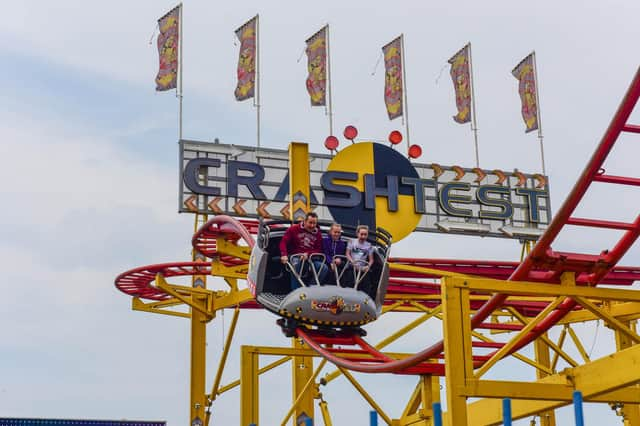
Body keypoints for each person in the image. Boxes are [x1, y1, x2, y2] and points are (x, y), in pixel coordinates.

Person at [279, 212, 327, 289]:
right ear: (304, 221)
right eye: (310, 223)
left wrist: (307, 254)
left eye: (314, 223)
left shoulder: (318, 234)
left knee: (323, 268)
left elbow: (318, 249)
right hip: (295, 257)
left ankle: (311, 289)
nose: (312, 225)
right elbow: (283, 242)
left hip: (310, 258)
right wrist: (283, 254)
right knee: (296, 265)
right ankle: (296, 292)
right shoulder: (293, 229)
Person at [345, 225, 374, 292]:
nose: (363, 236)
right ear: (357, 234)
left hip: (362, 268)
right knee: (349, 280)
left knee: (367, 284)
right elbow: (347, 254)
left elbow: (371, 259)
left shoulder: (369, 245)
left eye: (365, 234)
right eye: (361, 234)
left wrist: (368, 266)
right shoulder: (351, 242)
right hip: (352, 266)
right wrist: (352, 262)